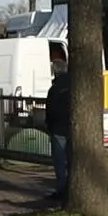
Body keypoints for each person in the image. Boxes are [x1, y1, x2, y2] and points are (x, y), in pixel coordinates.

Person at [43, 55, 72, 200]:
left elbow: (50, 110)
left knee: (60, 163)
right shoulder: (74, 86)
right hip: (72, 129)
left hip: (58, 130)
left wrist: (49, 125)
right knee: (71, 161)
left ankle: (61, 191)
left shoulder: (54, 89)